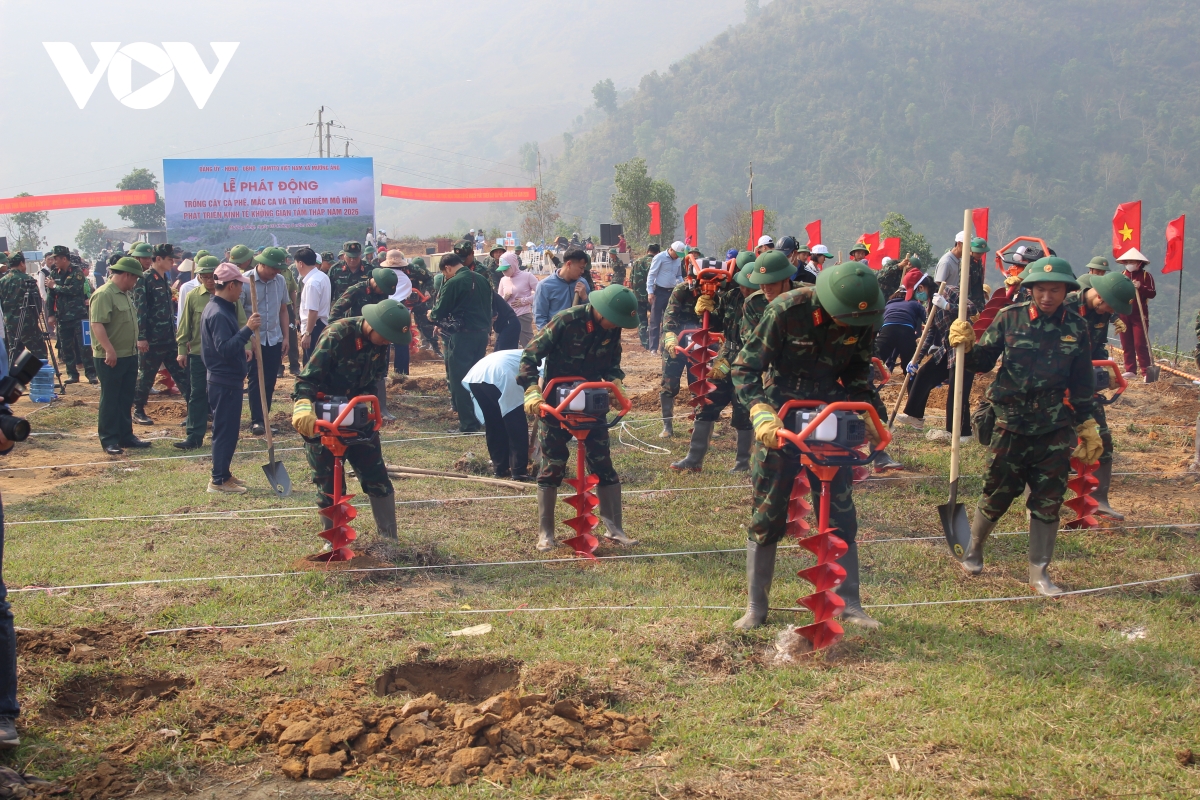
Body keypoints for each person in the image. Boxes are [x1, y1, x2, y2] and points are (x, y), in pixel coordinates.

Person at [732, 258, 888, 629]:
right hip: (781, 415)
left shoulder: (861, 318)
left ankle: (849, 602)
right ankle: (757, 607)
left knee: (840, 512)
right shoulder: (787, 310)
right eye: (844, 321)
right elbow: (745, 368)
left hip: (831, 414)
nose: (851, 327)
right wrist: (760, 412)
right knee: (768, 511)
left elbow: (857, 372)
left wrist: (869, 413)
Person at [953, 257, 1101, 596]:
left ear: (1067, 291)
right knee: (998, 492)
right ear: (1030, 289)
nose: (1047, 296)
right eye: (1041, 289)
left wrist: (1087, 423)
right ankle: (974, 549)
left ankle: (1039, 574)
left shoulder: (1076, 329)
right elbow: (982, 362)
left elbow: (1081, 383)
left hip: (1052, 427)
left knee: (1049, 501)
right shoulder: (1010, 318)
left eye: (1055, 290)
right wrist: (966, 344)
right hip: (1010, 423)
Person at [519, 284, 640, 551]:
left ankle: (614, 529)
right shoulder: (566, 320)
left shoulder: (612, 325)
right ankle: (546, 533)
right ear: (600, 310)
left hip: (592, 401)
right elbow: (530, 353)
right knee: (553, 465)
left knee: (602, 464)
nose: (615, 326)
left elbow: (612, 363)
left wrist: (615, 381)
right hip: (557, 402)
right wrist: (531, 389)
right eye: (614, 320)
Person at [291, 300, 413, 555]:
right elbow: (307, 378)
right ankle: (333, 540)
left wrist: (368, 412)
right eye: (385, 336)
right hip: (326, 417)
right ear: (373, 325)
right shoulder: (337, 335)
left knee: (377, 476)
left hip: (358, 417)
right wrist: (303, 405)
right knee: (328, 480)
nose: (386, 342)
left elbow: (374, 380)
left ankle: (389, 541)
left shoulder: (382, 343)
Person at [671, 251, 757, 473]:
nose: (745, 289)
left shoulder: (765, 305)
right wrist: (707, 308)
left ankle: (742, 464)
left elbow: (757, 344)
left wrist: (730, 363)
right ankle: (693, 458)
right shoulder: (732, 297)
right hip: (726, 357)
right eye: (742, 284)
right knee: (706, 403)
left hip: (749, 365)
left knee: (742, 413)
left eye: (749, 285)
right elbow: (718, 325)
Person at [1067, 271, 1136, 519]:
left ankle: (1099, 499)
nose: (1109, 313)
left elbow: (1097, 348)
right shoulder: (1065, 306)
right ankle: (1040, 503)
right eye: (1109, 306)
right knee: (1047, 444)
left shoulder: (1100, 314)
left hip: (1084, 389)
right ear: (1099, 295)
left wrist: (1105, 371)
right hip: (1054, 386)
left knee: (1101, 439)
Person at [201, 264, 261, 494]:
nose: (241, 292)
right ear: (230, 285)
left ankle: (224, 473)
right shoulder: (217, 313)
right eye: (239, 287)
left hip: (227, 379)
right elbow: (224, 348)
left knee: (229, 429)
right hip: (223, 380)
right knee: (225, 430)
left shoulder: (222, 308)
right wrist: (247, 330)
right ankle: (218, 480)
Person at [174, 257, 245, 450]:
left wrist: (247, 346)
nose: (208, 281)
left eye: (210, 276)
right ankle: (194, 435)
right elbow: (184, 325)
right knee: (197, 394)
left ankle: (221, 436)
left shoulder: (230, 297)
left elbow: (241, 323)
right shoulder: (193, 296)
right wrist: (182, 350)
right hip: (198, 353)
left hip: (223, 356)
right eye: (203, 277)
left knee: (222, 395)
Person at [657, 252, 727, 439]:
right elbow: (669, 317)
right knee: (669, 384)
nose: (708, 287)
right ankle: (667, 426)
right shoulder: (681, 290)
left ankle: (702, 425)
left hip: (701, 345)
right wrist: (670, 337)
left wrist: (713, 312)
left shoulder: (718, 297)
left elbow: (720, 324)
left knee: (700, 384)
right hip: (677, 344)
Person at [90, 258, 151, 455]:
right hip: (110, 356)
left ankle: (126, 435)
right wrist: (109, 349)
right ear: (127, 275)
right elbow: (97, 324)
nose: (135, 283)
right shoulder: (104, 294)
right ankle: (109, 439)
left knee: (125, 397)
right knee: (111, 399)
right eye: (134, 279)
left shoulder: (124, 294)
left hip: (129, 354)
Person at [429, 253, 493, 433]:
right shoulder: (482, 279)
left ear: (447, 268)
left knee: (460, 380)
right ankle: (482, 417)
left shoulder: (453, 282)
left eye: (445, 274)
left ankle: (468, 424)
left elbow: (439, 312)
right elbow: (489, 307)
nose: (445, 277)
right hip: (481, 335)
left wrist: (431, 315)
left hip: (463, 336)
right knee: (477, 378)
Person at [132, 243, 189, 426]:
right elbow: (140, 310)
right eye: (170, 259)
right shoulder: (145, 279)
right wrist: (141, 337)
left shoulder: (164, 277)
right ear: (158, 259)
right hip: (152, 339)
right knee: (146, 376)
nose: (173, 262)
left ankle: (196, 410)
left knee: (181, 374)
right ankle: (138, 410)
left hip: (168, 338)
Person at [241, 247, 293, 435]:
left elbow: (283, 310)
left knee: (270, 380)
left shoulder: (279, 281)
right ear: (262, 264)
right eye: (274, 269)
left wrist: (286, 337)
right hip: (254, 339)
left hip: (274, 338)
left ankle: (265, 418)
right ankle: (256, 421)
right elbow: (239, 314)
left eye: (280, 269)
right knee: (256, 379)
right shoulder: (246, 281)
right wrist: (249, 339)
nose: (277, 272)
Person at [464, 349, 530, 480]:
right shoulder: (549, 360)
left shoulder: (528, 352)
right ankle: (519, 472)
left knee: (494, 422)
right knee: (516, 424)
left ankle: (500, 468)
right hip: (502, 374)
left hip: (477, 374)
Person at [44, 245, 96, 384]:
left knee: (84, 346)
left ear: (64, 258)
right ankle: (72, 374)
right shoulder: (54, 274)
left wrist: (55, 286)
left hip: (79, 315)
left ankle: (91, 373)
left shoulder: (77, 272)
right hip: (62, 316)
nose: (54, 260)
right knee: (66, 347)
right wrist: (51, 314)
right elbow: (50, 296)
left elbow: (73, 289)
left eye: (56, 258)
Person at [874, 268, 930, 371]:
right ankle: (911, 383)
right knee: (909, 368)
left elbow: (879, 322)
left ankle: (869, 381)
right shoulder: (915, 303)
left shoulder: (889, 304)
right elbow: (928, 320)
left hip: (887, 330)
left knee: (875, 362)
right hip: (906, 332)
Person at [1115, 247, 1156, 379]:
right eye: (1128, 261)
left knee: (1140, 344)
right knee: (1126, 343)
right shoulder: (1121, 275)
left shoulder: (1146, 276)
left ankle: (1145, 371)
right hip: (1124, 313)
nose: (1130, 264)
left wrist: (1140, 287)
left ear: (1139, 263)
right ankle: (1130, 369)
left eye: (1133, 261)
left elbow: (1152, 293)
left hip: (1139, 315)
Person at [0, 253, 47, 362]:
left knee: (15, 356)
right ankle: (37, 377)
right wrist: (35, 317)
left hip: (10, 325)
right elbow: (37, 303)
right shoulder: (27, 280)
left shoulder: (2, 282)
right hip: (28, 323)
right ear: (21, 263)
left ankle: (17, 378)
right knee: (39, 352)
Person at [533, 248, 590, 328]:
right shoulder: (544, 285)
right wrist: (548, 337)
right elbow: (540, 317)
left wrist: (585, 298)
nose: (583, 271)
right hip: (556, 335)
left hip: (578, 335)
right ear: (569, 264)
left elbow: (590, 313)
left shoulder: (583, 283)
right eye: (581, 268)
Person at [646, 241, 685, 352]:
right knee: (655, 320)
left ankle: (665, 347)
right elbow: (651, 274)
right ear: (671, 250)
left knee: (669, 320)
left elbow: (678, 275)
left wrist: (682, 285)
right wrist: (650, 292)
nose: (677, 256)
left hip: (672, 293)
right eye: (676, 254)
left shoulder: (677, 260)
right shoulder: (660, 257)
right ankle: (653, 348)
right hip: (659, 292)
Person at [296, 247, 330, 364]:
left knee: (312, 364)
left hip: (314, 327)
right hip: (322, 324)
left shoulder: (312, 283)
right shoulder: (322, 277)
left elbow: (313, 311)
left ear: (300, 263)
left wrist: (308, 334)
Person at [497, 251, 537, 347]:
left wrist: (525, 301)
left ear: (513, 265)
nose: (504, 272)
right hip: (507, 317)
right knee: (506, 345)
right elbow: (498, 300)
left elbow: (541, 294)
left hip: (522, 315)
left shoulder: (527, 276)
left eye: (506, 269)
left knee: (528, 345)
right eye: (502, 270)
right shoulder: (503, 280)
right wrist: (504, 298)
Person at [629, 244, 659, 350]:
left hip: (638, 296)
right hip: (652, 296)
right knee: (655, 319)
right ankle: (653, 342)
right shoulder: (655, 262)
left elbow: (631, 279)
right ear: (658, 252)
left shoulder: (637, 262)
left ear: (647, 251)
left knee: (642, 320)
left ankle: (645, 343)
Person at [491, 283, 521, 352]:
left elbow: (494, 316)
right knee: (497, 353)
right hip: (505, 325)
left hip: (510, 324)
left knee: (503, 353)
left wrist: (487, 334)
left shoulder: (488, 295)